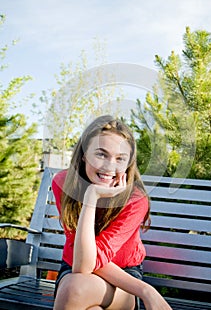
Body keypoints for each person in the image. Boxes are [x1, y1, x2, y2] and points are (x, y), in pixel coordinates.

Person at [52, 115, 172, 310]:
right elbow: (82, 264)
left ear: (128, 163)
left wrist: (140, 289)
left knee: (75, 289)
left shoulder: (135, 199)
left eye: (120, 159)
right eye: (101, 154)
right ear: (83, 154)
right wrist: (91, 196)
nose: (109, 166)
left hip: (124, 279)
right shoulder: (64, 183)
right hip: (75, 270)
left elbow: (91, 262)